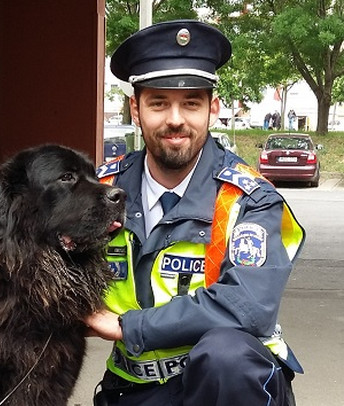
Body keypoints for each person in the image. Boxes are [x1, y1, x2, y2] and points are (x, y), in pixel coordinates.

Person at [87, 20, 305, 406]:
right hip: (133, 387)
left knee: (227, 357)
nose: (175, 119)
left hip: (223, 388)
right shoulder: (101, 191)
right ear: (135, 109)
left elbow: (248, 308)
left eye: (191, 103)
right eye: (158, 102)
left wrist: (126, 325)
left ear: (213, 108)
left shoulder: (249, 199)